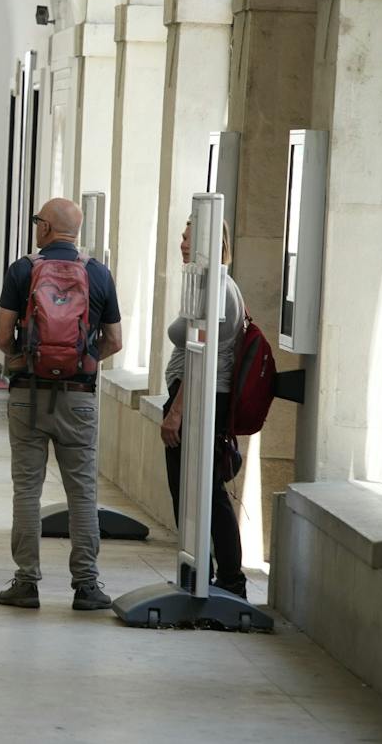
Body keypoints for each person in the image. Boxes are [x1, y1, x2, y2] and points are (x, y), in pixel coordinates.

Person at [0, 197, 122, 611]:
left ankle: (26, 582)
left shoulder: (22, 270)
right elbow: (116, 340)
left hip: (27, 396)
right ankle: (86, 585)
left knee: (27, 490)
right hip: (79, 398)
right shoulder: (98, 273)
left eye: (37, 221)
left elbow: (2, 334)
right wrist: (83, 362)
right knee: (82, 492)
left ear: (45, 228)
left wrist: (22, 360)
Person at [160, 217, 249, 599]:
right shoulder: (209, 283)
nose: (181, 241)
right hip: (195, 394)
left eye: (187, 235)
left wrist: (178, 410)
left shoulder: (218, 287)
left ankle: (230, 579)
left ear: (208, 242)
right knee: (193, 490)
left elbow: (204, 358)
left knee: (206, 491)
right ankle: (202, 572)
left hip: (200, 397)